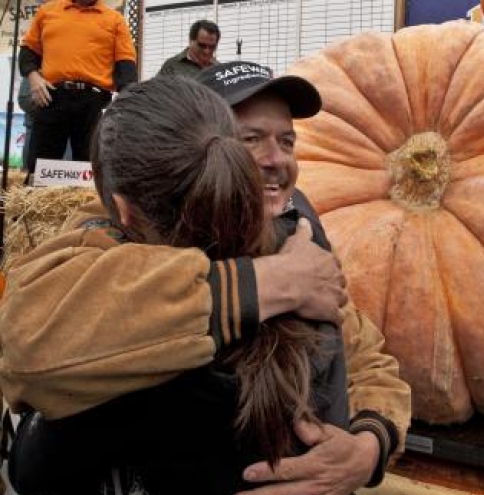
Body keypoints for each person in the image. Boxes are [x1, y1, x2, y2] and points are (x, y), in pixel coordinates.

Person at [1, 61, 410, 495]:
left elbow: (367, 358)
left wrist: (368, 445)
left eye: (287, 141)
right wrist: (269, 282)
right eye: (249, 139)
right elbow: (31, 340)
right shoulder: (120, 241)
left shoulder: (300, 240)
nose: (276, 160)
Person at [18, 0, 137, 175]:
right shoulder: (47, 11)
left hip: (93, 102)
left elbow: (126, 64)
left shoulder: (115, 19)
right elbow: (28, 50)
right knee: (39, 167)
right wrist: (34, 77)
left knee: (90, 169)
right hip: (50, 97)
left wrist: (126, 102)